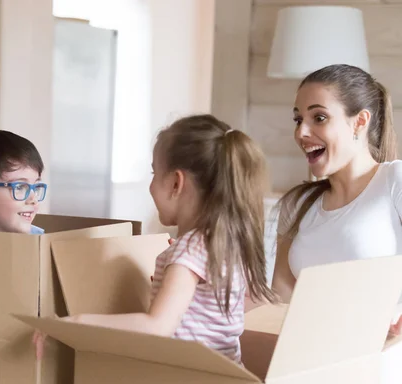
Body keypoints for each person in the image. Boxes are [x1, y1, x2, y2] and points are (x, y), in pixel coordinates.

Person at [34, 114, 276, 364]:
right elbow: (246, 300)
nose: (150, 186)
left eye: (154, 172)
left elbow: (157, 327)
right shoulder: (229, 243)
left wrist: (75, 322)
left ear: (175, 183)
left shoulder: (190, 251)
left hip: (188, 382)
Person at [271, 64, 402, 335]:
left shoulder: (394, 181)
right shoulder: (296, 204)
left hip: (382, 358)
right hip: (308, 356)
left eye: (319, 118)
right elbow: (281, 301)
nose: (301, 133)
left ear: (360, 122)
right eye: (298, 120)